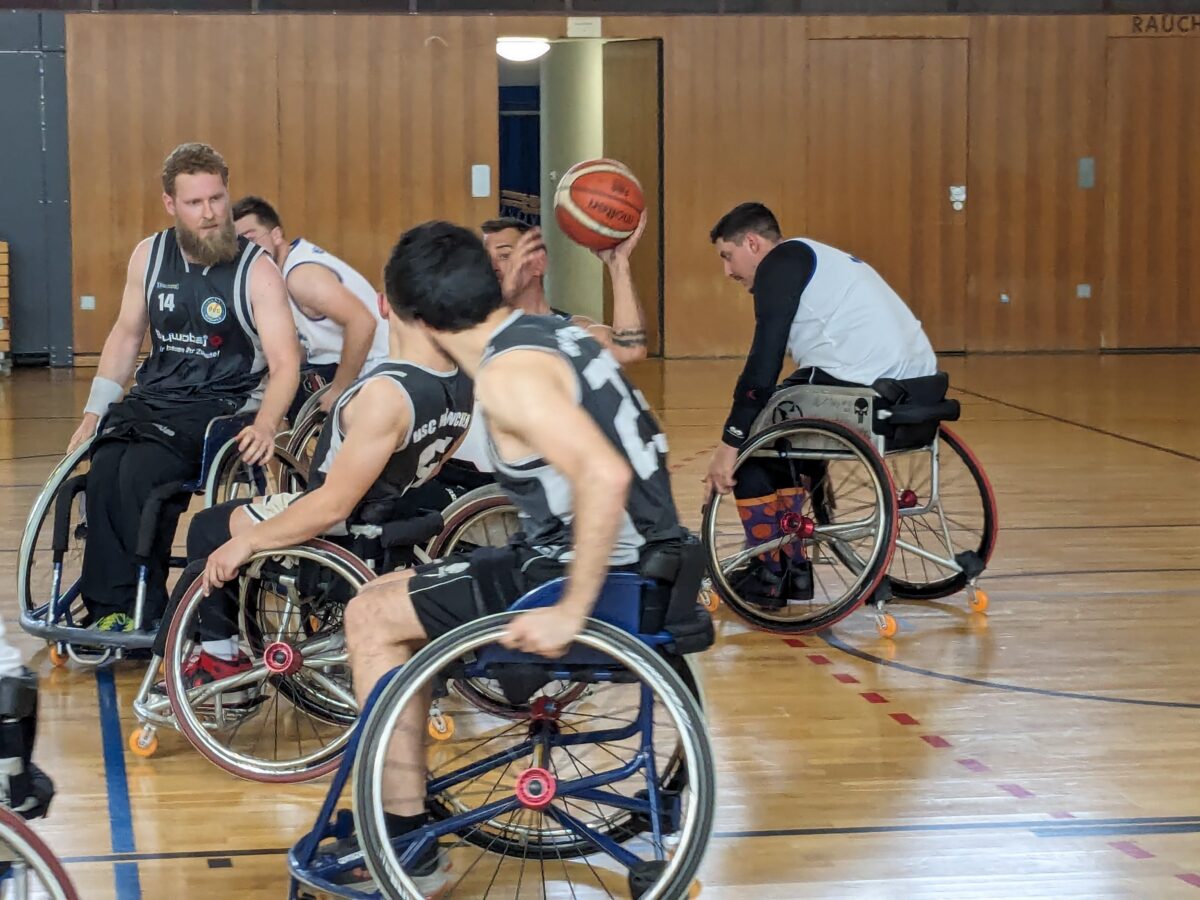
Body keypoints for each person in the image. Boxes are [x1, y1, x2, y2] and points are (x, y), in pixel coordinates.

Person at [332, 220, 688, 894]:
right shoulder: (550, 333)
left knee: (370, 616)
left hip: (591, 575)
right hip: (647, 557)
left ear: (415, 320)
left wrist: (570, 610)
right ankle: (402, 806)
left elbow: (604, 474)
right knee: (400, 589)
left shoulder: (507, 375)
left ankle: (405, 840)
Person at [161, 284, 473, 690]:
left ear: (383, 303)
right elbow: (432, 469)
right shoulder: (463, 383)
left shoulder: (387, 393)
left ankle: (220, 662)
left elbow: (331, 506)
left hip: (340, 531)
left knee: (209, 528)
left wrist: (248, 542)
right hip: (391, 517)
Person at [66, 142, 301, 633]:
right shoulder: (149, 256)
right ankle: (110, 606)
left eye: (217, 198)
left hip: (219, 403)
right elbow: (126, 336)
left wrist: (266, 423)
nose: (210, 213)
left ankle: (143, 607)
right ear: (170, 204)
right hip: (155, 397)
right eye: (195, 202)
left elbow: (285, 363)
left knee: (141, 473)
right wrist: (92, 412)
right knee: (105, 464)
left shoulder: (257, 271)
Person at [702, 201, 937, 604]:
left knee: (755, 447)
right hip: (920, 385)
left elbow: (763, 365)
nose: (727, 271)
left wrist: (730, 445)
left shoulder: (778, 265)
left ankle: (771, 572)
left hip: (865, 384)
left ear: (753, 243)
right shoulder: (819, 256)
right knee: (789, 432)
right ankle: (794, 571)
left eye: (728, 256)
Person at [233, 196, 388, 418]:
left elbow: (363, 322)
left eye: (251, 238)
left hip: (378, 372)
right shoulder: (283, 272)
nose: (247, 250)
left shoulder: (300, 276)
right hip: (358, 369)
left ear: (276, 235)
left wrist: (339, 389)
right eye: (239, 244)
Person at [481, 215, 651, 364]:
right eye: (486, 259)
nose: (493, 266)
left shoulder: (574, 329)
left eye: (505, 256)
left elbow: (630, 351)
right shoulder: (480, 330)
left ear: (538, 263)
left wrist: (618, 264)